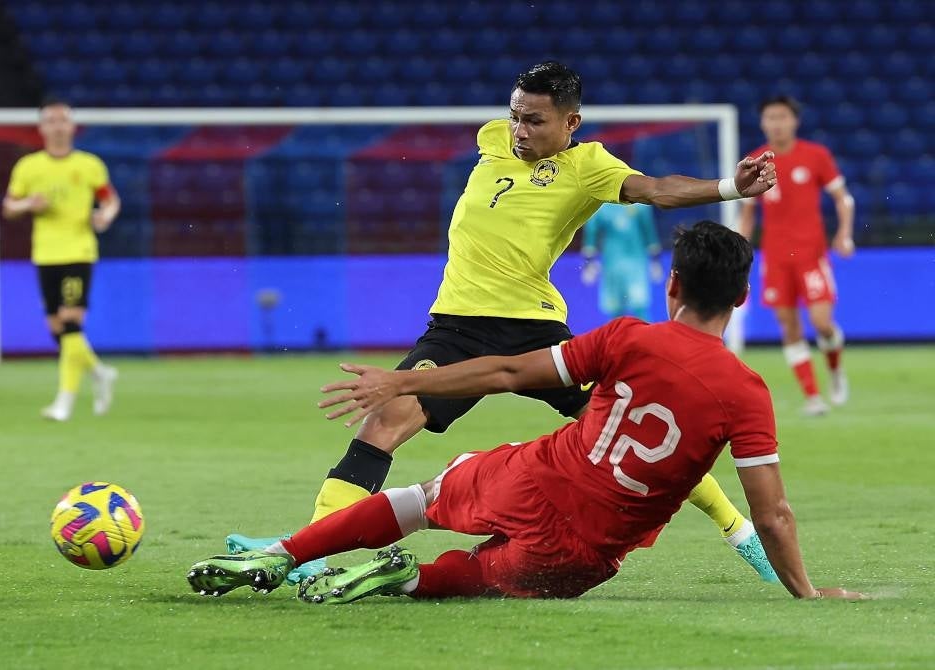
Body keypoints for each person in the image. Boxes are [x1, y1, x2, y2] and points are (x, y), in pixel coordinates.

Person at [228, 61, 779, 583]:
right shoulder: (492, 139)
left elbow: (657, 191)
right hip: (456, 325)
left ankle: (741, 533)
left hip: (532, 328)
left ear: (571, 122)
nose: (519, 129)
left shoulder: (589, 167)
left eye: (535, 120)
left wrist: (730, 188)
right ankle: (309, 550)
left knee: (622, 428)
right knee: (381, 425)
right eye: (515, 115)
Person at [186, 222, 863, 604]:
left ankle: (282, 553)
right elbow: (774, 512)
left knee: (426, 497)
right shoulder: (748, 393)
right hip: (593, 550)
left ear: (673, 284)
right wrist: (805, 591)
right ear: (743, 300)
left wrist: (406, 379)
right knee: (485, 576)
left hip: (539, 478)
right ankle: (411, 577)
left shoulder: (626, 338)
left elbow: (508, 369)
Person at [2, 99, 120, 421]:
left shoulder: (89, 165)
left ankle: (64, 402)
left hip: (78, 251)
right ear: (41, 128)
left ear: (71, 126)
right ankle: (99, 373)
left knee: (70, 323)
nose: (57, 126)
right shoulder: (29, 167)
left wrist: (105, 216)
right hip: (45, 253)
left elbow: (109, 200)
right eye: (50, 120)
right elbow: (9, 207)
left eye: (62, 120)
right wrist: (29, 204)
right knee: (57, 329)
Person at [739, 96, 854, 416]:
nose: (776, 123)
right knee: (789, 326)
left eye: (782, 116)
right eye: (770, 117)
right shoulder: (754, 160)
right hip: (776, 259)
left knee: (822, 323)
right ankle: (813, 397)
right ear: (763, 123)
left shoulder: (816, 156)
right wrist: (738, 247)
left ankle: (834, 369)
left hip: (811, 256)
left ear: (794, 121)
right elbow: (747, 214)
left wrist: (843, 233)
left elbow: (844, 199)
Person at [580, 202, 662, 320]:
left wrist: (655, 262)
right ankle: (616, 338)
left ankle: (647, 338)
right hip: (611, 265)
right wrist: (588, 264)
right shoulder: (601, 205)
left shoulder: (640, 204)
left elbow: (649, 230)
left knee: (639, 306)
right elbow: (591, 232)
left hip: (636, 264)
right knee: (614, 309)